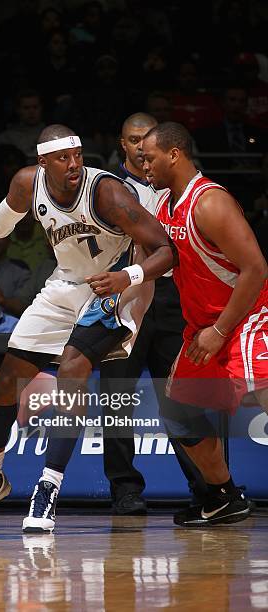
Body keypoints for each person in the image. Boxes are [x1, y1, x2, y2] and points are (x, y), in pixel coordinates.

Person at [0, 123, 176, 530]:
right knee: (8, 378)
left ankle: (49, 486)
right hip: (64, 286)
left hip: (115, 289)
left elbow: (167, 250)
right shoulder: (28, 183)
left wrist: (128, 277)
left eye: (78, 155)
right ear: (43, 162)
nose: (74, 164)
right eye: (63, 158)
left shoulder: (107, 192)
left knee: (73, 367)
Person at [141, 121, 268, 526]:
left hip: (244, 319)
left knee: (264, 396)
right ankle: (224, 496)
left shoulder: (210, 202)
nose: (144, 165)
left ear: (174, 154)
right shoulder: (164, 206)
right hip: (202, 328)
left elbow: (256, 268)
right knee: (178, 409)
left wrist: (219, 331)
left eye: (149, 157)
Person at [101, 113, 208, 515]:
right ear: (122, 145)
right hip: (125, 299)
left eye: (147, 140)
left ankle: (207, 487)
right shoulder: (106, 188)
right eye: (133, 140)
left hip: (171, 300)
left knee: (183, 397)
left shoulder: (177, 187)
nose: (141, 148)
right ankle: (124, 489)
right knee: (116, 399)